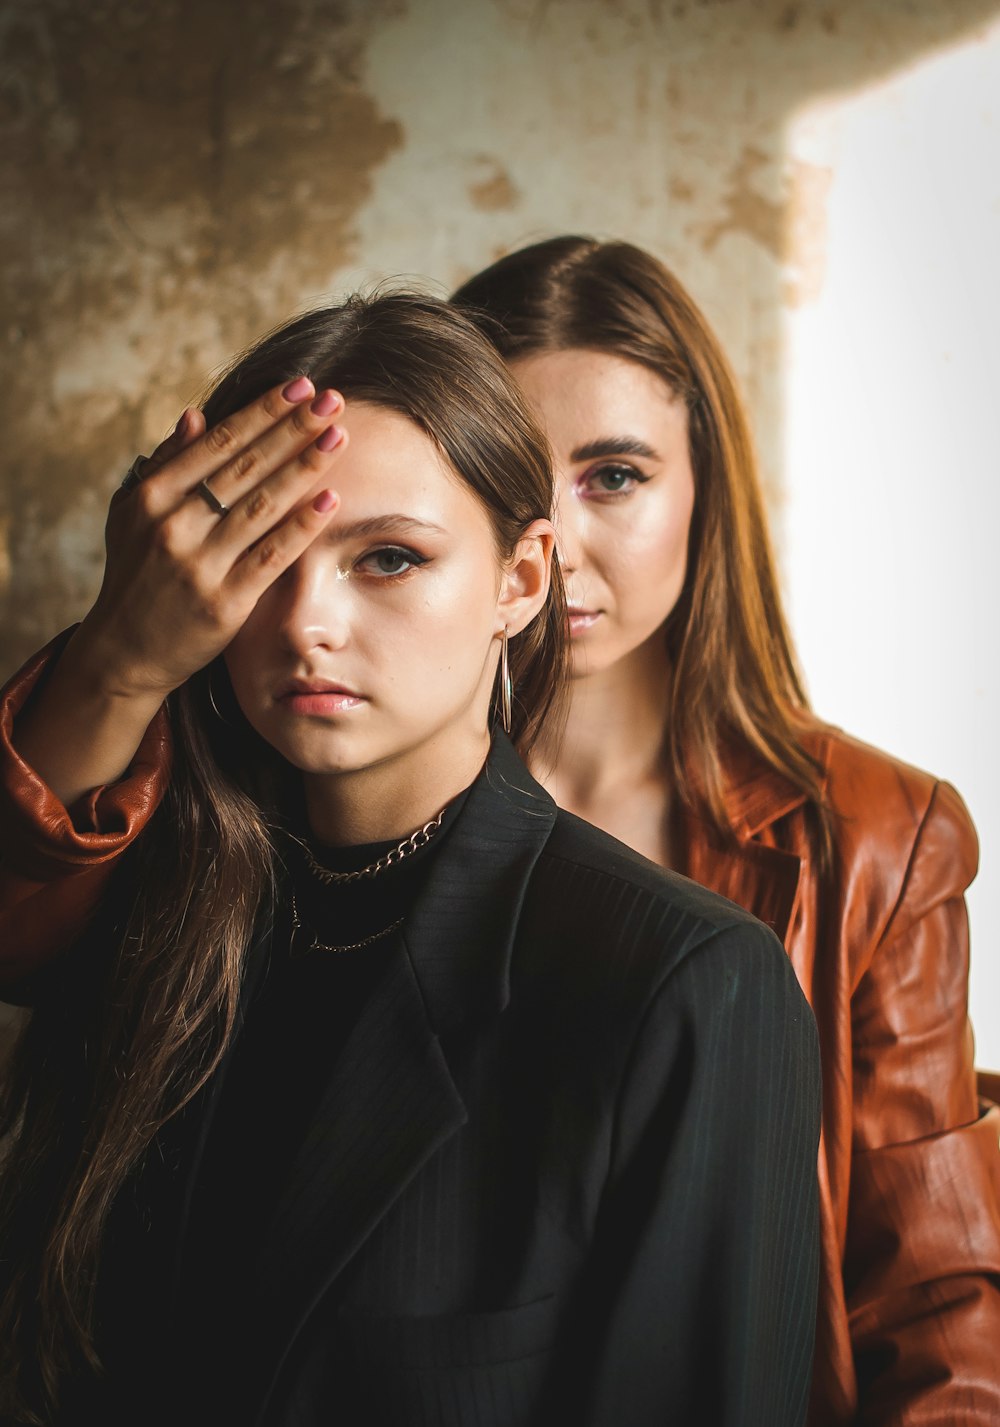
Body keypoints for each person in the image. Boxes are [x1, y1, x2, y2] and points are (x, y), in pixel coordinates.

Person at [0, 292, 820, 1426]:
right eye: (261, 558)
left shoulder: (687, 983)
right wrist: (119, 653)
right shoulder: (158, 894)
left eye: (387, 557)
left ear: (519, 581)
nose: (304, 622)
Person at [450, 236, 1000, 1426]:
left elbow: (932, 1297)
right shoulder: (348, 789)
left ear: (705, 487)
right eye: (508, 478)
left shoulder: (877, 835)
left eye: (613, 475)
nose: (554, 539)